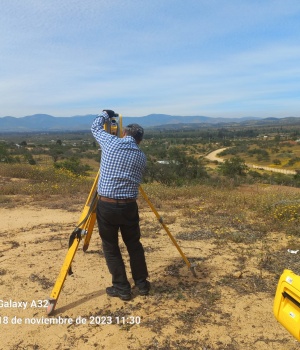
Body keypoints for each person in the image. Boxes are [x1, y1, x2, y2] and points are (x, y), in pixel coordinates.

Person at [91, 109, 150, 301]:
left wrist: (105, 114)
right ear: (139, 140)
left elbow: (94, 127)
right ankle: (141, 284)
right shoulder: (141, 157)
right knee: (134, 245)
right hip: (129, 207)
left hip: (107, 205)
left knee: (111, 247)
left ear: (124, 133)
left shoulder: (110, 142)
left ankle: (121, 287)